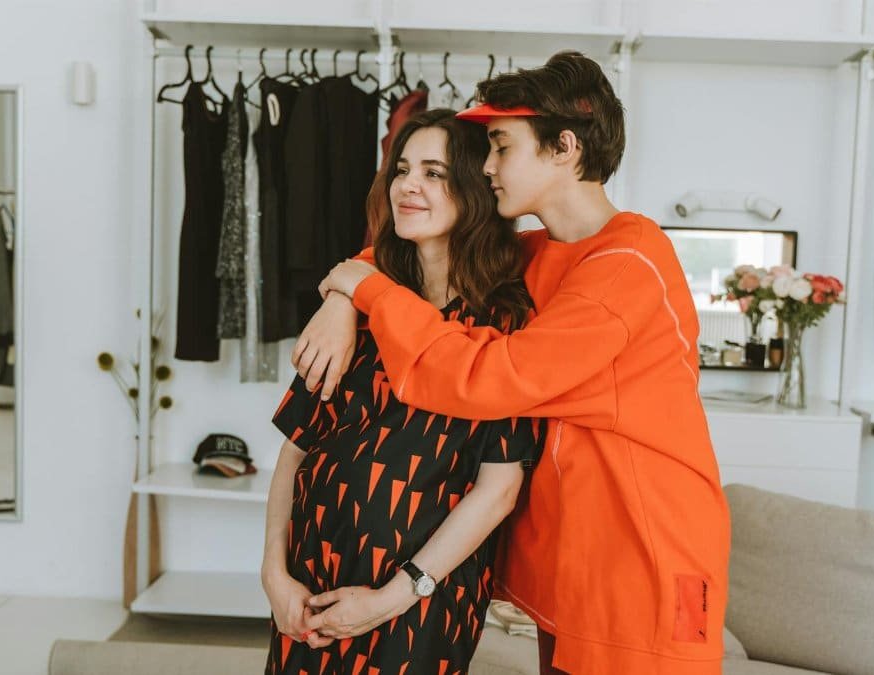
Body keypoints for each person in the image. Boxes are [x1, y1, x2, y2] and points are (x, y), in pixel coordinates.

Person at [293, 52, 728, 674]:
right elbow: (425, 252)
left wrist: (362, 290)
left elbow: (489, 379)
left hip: (645, 553)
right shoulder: (540, 252)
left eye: (500, 146)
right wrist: (344, 289)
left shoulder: (626, 267)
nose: (487, 167)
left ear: (564, 148)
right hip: (580, 559)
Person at [261, 109, 543, 675]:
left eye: (435, 173)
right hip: (310, 581)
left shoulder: (506, 321)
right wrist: (274, 575)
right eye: (403, 169)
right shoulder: (359, 305)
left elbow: (499, 489)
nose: (408, 185)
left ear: (473, 186)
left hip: (418, 597)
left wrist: (392, 597)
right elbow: (295, 450)